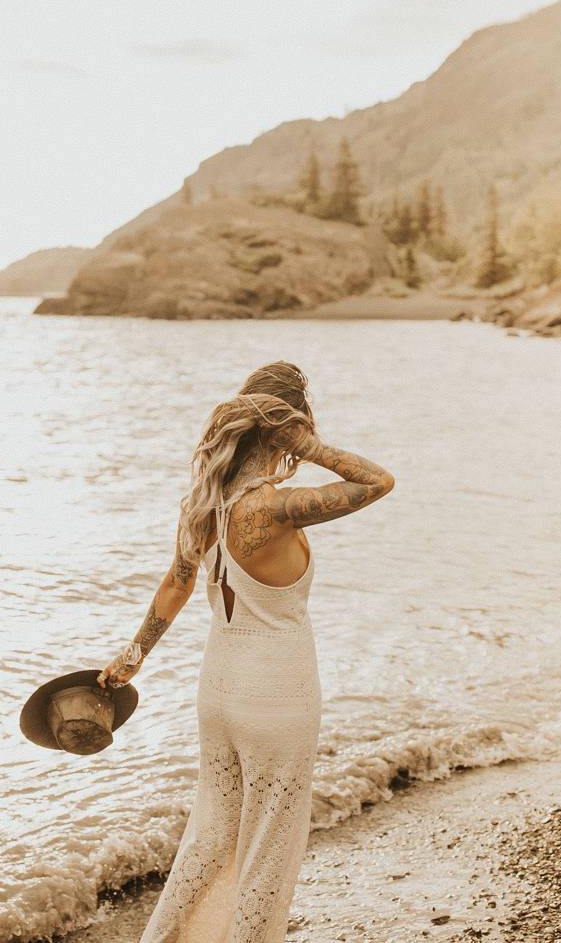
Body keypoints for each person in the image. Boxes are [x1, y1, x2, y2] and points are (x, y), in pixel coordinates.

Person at [97, 360, 395, 942]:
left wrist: (131, 659)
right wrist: (310, 445)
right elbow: (377, 482)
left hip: (219, 692)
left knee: (212, 831)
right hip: (277, 697)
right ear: (288, 429)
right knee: (269, 845)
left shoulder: (205, 504)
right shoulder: (274, 508)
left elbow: (176, 585)